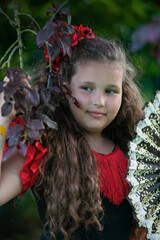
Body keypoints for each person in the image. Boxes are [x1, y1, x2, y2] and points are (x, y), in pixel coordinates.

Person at [0, 26, 146, 240]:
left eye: (110, 90)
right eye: (87, 88)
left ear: (125, 94)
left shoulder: (135, 152)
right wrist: (3, 119)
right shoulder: (44, 146)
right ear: (63, 88)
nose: (99, 101)